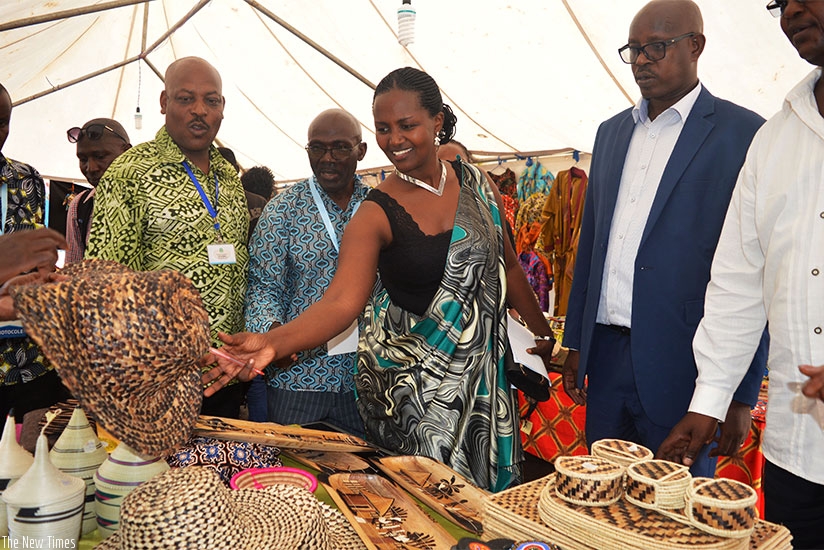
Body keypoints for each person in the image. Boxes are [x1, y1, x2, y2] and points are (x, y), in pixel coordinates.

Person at [208, 67, 555, 493]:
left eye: (407, 125)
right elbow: (341, 302)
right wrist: (273, 342)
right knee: (430, 509)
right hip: (418, 406)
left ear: (437, 121)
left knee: (491, 513)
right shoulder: (375, 211)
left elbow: (510, 266)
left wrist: (542, 330)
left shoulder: (477, 183)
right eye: (384, 128)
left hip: (485, 392)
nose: (394, 140)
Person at [561, 0, 768, 477]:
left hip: (687, 367)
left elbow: (758, 272)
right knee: (602, 498)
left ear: (695, 46)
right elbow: (591, 247)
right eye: (633, 49)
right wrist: (576, 342)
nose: (641, 60)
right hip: (606, 359)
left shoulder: (744, 134)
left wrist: (739, 394)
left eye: (656, 47)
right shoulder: (611, 133)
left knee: (674, 505)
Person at [656, 1, 824, 546]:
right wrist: (707, 403)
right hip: (798, 455)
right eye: (779, 1)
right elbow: (738, 284)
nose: (791, 10)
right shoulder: (775, 140)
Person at [85, 57, 251, 418]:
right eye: (186, 98)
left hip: (225, 378)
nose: (200, 110)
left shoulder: (229, 177)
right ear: (164, 102)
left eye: (211, 100)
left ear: (222, 107)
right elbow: (104, 284)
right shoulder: (130, 172)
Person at [244, 109, 368, 432]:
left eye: (340, 148)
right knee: (294, 463)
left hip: (366, 381)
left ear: (361, 151)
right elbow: (263, 286)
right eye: (317, 148)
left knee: (365, 465)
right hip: (298, 379)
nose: (328, 158)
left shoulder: (378, 206)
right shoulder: (282, 210)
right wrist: (273, 335)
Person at [0, 82, 72, 433]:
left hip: (30, 361)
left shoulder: (25, 179)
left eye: (2, 122)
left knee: (34, 452)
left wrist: (46, 280)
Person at [65, 118, 131, 264]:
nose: (91, 168)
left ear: (127, 152)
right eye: (83, 159)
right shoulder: (79, 206)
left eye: (100, 157)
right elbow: (74, 271)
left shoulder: (154, 200)